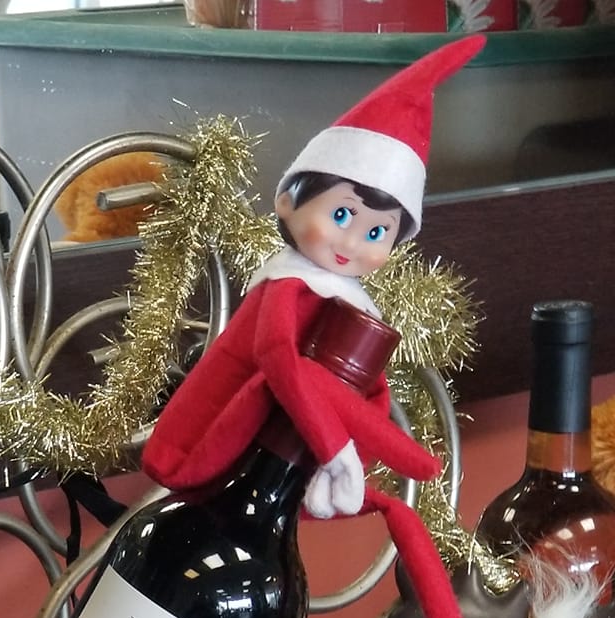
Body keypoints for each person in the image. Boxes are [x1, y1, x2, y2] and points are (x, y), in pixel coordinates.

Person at [142, 34, 486, 521]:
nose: (352, 243)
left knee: (396, 510)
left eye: (377, 232)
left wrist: (357, 447)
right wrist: (335, 448)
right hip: (216, 444)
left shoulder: (349, 305)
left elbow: (366, 389)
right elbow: (279, 359)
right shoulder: (288, 285)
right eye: (342, 215)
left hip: (281, 455)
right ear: (287, 201)